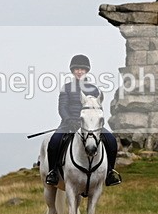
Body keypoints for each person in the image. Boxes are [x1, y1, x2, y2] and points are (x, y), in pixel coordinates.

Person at [45, 54, 121, 187]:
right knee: (54, 142)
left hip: (90, 125)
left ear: (86, 71)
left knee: (111, 141)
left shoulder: (93, 89)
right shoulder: (66, 88)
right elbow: (62, 107)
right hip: (69, 124)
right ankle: (53, 172)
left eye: (82, 69)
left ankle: (110, 172)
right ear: (73, 71)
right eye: (77, 69)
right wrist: (69, 120)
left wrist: (96, 123)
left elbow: (98, 109)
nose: (79, 71)